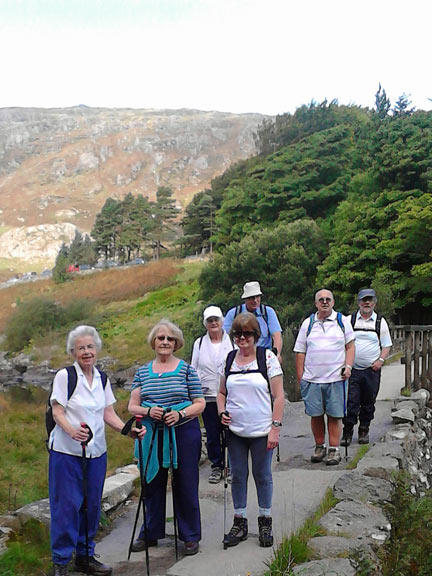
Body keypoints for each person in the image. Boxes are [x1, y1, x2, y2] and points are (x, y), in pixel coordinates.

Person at [48, 325, 144, 576]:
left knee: (91, 506)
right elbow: (57, 411)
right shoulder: (65, 376)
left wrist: (127, 430)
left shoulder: (102, 378)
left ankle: (85, 557)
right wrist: (71, 431)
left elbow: (107, 413)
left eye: (90, 347)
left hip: (96, 452)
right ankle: (60, 561)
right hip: (66, 453)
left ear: (97, 349)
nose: (87, 352)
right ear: (73, 352)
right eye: (81, 348)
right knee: (67, 506)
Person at [128, 319, 205, 557]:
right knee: (152, 483)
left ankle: (190, 536)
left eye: (169, 338)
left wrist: (180, 413)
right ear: (153, 342)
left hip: (183, 431)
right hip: (152, 433)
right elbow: (132, 406)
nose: (164, 342)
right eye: (160, 338)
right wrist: (149, 411)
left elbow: (200, 403)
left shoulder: (186, 369)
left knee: (186, 483)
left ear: (176, 343)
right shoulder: (142, 372)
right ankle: (150, 532)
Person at [217, 312, 284, 548]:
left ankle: (265, 520)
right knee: (237, 476)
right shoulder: (229, 360)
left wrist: (275, 429)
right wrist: (221, 411)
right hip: (235, 431)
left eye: (247, 333)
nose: (242, 338)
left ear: (256, 335)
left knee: (262, 475)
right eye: (237, 334)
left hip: (262, 429)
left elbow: (279, 397)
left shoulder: (267, 358)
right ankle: (240, 520)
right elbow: (221, 392)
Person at [294, 289, 355, 466]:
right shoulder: (308, 323)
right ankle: (319, 446)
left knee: (335, 416)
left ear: (333, 302)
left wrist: (348, 366)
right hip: (312, 379)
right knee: (316, 415)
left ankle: (334, 449)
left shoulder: (342, 321)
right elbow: (300, 352)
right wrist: (301, 378)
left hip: (336, 378)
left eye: (328, 299)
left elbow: (350, 347)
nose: (325, 302)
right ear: (316, 304)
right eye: (321, 300)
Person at [341, 289, 392, 446]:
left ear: (374, 303)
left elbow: (386, 344)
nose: (367, 303)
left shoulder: (379, 322)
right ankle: (347, 431)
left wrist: (381, 360)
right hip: (352, 369)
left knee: (368, 401)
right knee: (351, 402)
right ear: (358, 303)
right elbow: (340, 342)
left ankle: (364, 429)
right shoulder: (349, 320)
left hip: (371, 370)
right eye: (364, 300)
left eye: (370, 300)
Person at [191, 305, 234, 483]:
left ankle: (231, 466)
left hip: (230, 395)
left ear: (222, 321)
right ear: (205, 323)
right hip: (207, 395)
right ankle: (216, 466)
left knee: (231, 431)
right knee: (212, 433)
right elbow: (193, 368)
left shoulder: (231, 340)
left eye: (216, 319)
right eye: (210, 320)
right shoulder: (199, 343)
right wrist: (194, 390)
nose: (214, 323)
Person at [223, 281, 283, 362]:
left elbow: (276, 335)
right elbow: (224, 336)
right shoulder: (233, 313)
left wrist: (277, 354)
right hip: (240, 356)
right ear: (245, 299)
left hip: (264, 357)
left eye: (257, 297)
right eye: (251, 297)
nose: (255, 300)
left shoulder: (267, 312)